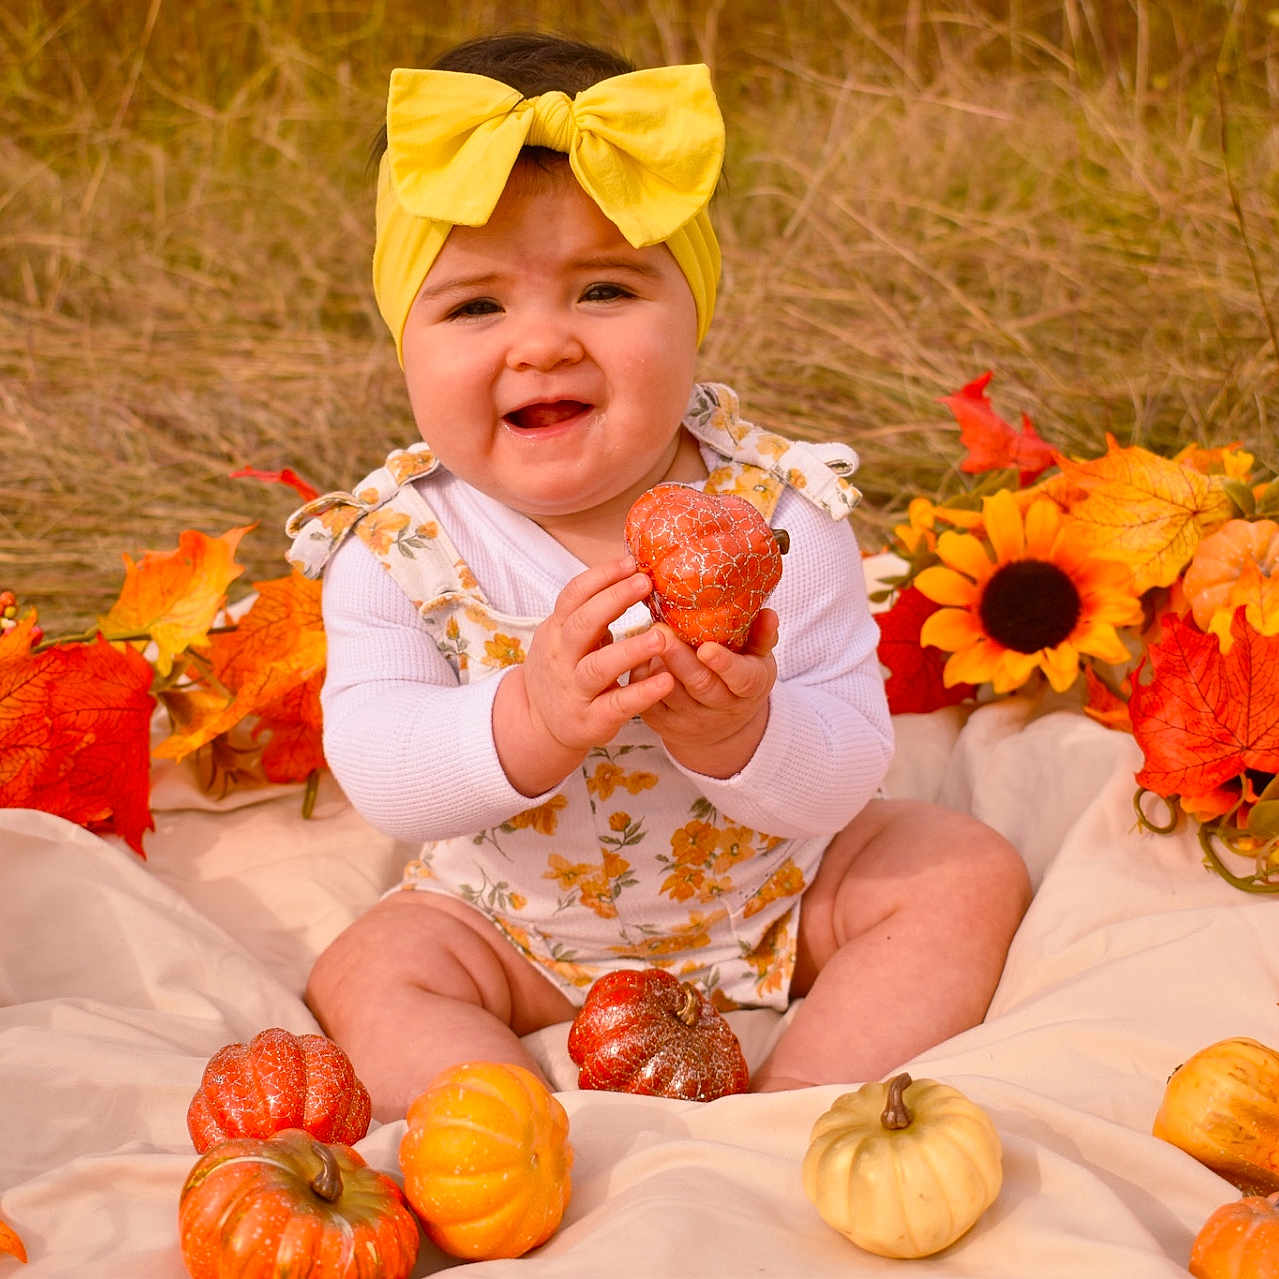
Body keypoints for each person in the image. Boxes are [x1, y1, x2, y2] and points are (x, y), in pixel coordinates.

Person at [286, 30, 1031, 1120]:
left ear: (695, 314)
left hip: (783, 896)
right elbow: (382, 771)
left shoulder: (775, 519)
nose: (538, 343)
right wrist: (529, 718)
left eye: (602, 289)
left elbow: (849, 758)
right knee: (370, 970)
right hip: (513, 926)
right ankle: (508, 1138)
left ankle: (796, 1114)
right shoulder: (395, 545)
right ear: (405, 342)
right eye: (475, 306)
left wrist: (739, 735)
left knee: (960, 870)